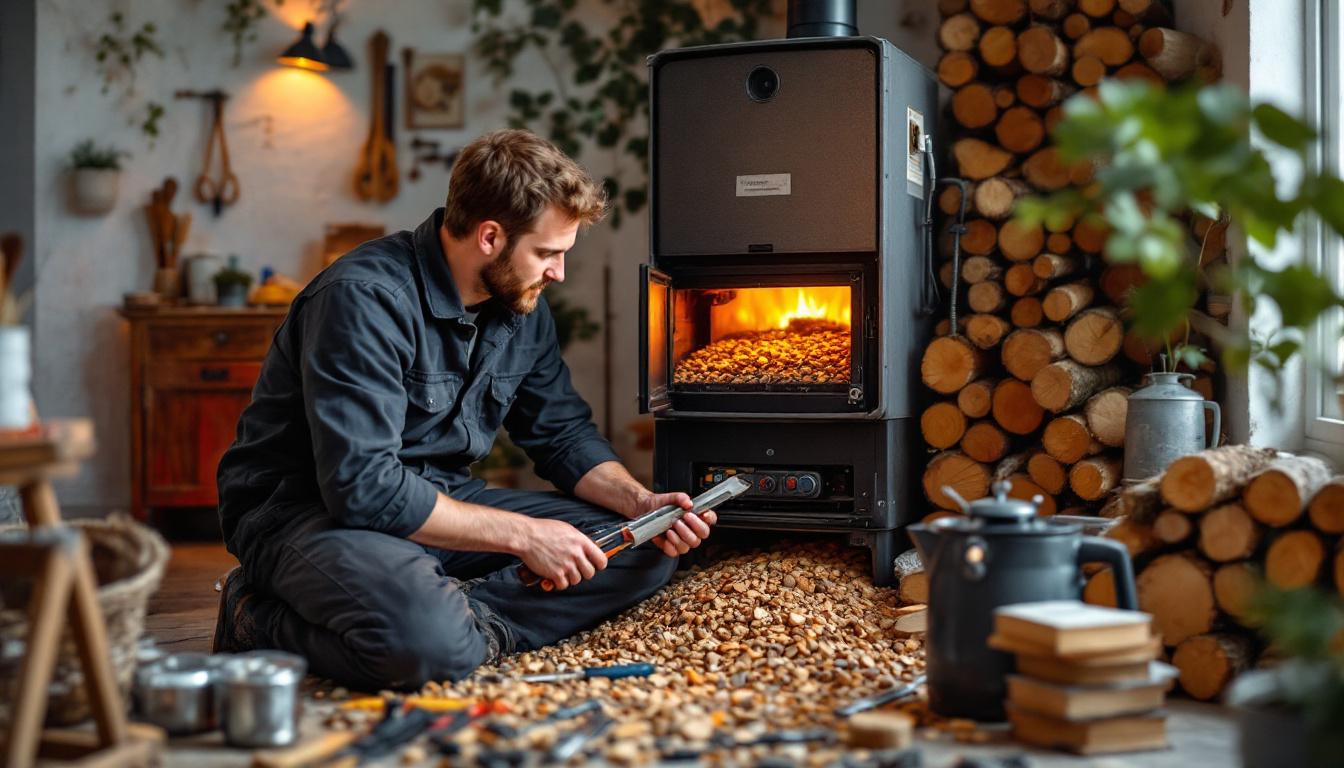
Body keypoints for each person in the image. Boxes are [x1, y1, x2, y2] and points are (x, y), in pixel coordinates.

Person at [213, 129, 714, 691]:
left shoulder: (521, 305)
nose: (558, 273)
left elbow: (563, 436)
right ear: (490, 237)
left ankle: (461, 621)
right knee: (428, 645)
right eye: (547, 253)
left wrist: (641, 502)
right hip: (306, 512)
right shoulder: (363, 298)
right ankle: (254, 615)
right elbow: (364, 489)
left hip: (437, 501)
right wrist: (525, 538)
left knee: (637, 549)